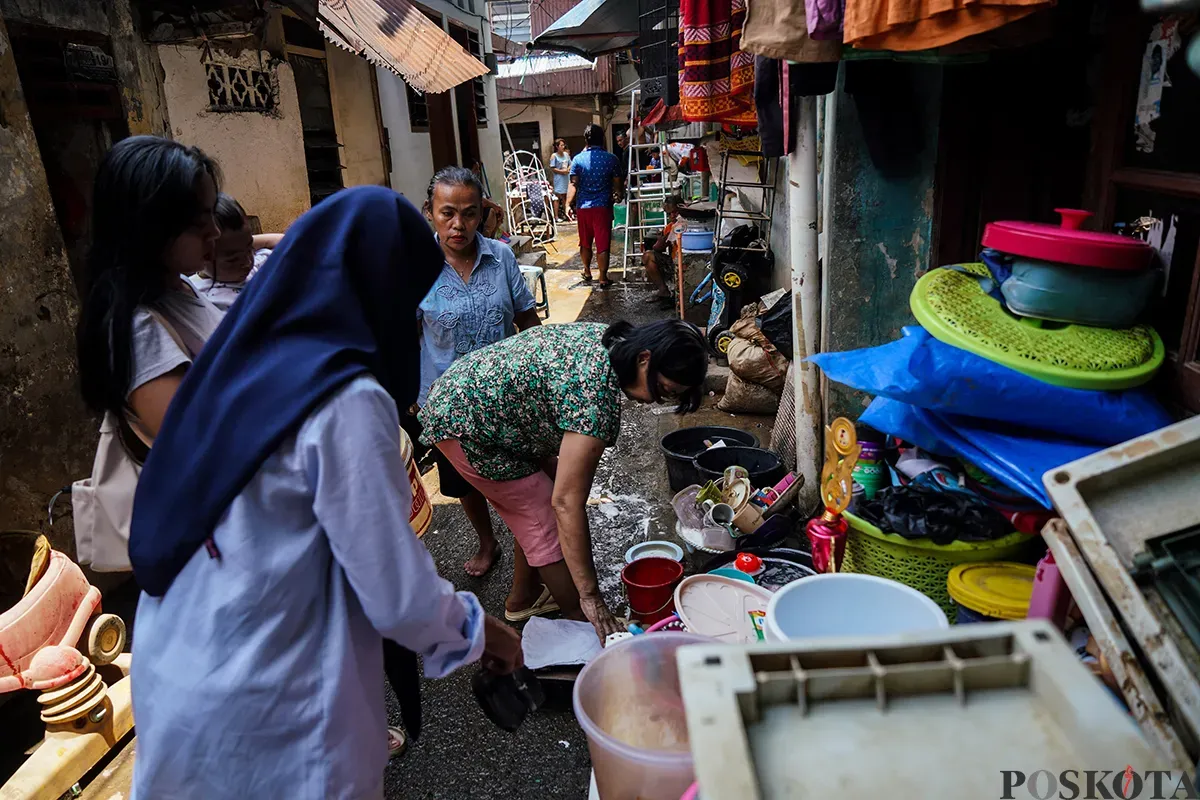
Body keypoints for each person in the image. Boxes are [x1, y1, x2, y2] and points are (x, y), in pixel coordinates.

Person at [126, 187, 524, 798]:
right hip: (275, 695)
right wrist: (486, 633)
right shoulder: (343, 397)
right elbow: (397, 596)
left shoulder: (242, 354)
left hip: (181, 663)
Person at [419, 319, 709, 640]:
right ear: (644, 358)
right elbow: (565, 503)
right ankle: (581, 620)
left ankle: (524, 597)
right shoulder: (595, 398)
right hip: (469, 423)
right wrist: (591, 597)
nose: (657, 401)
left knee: (545, 495)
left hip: (484, 402)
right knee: (545, 514)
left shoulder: (612, 340)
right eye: (665, 390)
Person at [415, 166, 542, 577]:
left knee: (524, 477)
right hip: (448, 403)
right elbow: (403, 338)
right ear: (430, 213)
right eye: (447, 213)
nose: (459, 224)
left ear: (482, 213)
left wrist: (542, 374)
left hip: (508, 396)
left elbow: (526, 318)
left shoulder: (501, 257)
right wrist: (410, 398)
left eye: (469, 213)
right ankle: (487, 541)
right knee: (465, 483)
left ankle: (531, 547)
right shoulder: (414, 268)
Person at [77, 136, 225, 450]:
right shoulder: (139, 330)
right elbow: (202, 446)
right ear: (150, 229)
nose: (215, 231)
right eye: (201, 222)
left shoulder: (181, 286)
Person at [186, 192, 283, 310]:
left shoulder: (252, 265)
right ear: (202, 255)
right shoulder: (199, 298)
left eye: (250, 249)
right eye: (233, 259)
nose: (248, 263)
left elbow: (287, 241)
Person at [567, 124, 623, 287]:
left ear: (586, 140)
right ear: (603, 139)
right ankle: (603, 277)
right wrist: (619, 195)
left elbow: (573, 184)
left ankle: (586, 270)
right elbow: (618, 186)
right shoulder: (612, 159)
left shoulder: (577, 159)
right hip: (603, 208)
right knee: (603, 243)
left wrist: (568, 204)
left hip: (583, 208)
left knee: (585, 242)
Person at [641, 195, 680, 303]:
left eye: (675, 212)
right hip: (674, 263)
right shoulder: (670, 226)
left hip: (685, 262)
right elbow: (657, 248)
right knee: (648, 257)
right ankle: (663, 291)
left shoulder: (686, 223)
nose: (672, 216)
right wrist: (664, 236)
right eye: (669, 214)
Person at [548, 138, 573, 222]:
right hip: (559, 178)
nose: (563, 147)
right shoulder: (554, 156)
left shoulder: (566, 155)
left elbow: (570, 163)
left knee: (566, 197)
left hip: (566, 177)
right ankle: (556, 216)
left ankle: (567, 214)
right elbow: (552, 168)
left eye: (563, 145)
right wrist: (562, 171)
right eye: (561, 145)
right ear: (557, 147)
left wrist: (568, 170)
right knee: (557, 197)